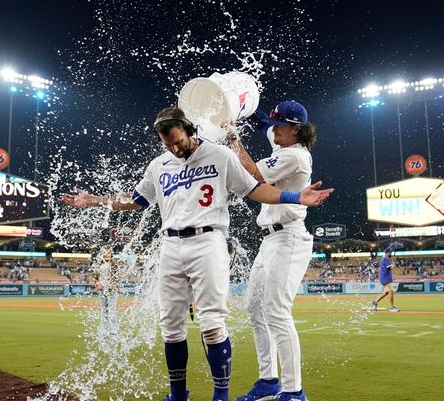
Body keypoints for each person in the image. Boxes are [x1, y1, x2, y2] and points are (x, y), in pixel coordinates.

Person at [61, 106, 332, 401]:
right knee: (171, 325)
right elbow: (136, 200)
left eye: (177, 141)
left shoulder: (219, 155)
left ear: (190, 130)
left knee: (213, 323)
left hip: (209, 240)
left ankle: (228, 396)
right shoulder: (160, 164)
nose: (174, 148)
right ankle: (181, 395)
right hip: (170, 245)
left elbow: (255, 189)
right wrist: (93, 201)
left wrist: (295, 196)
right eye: (167, 144)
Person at [226, 100, 317, 401]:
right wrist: (246, 111)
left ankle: (294, 392)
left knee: (277, 311)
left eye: (280, 126)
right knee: (255, 308)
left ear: (297, 130)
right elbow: (266, 124)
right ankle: (269, 381)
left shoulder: (294, 156)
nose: (273, 130)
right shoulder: (282, 138)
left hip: (289, 238)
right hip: (269, 240)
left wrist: (233, 139)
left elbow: (254, 175)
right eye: (274, 125)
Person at [93, 244, 119, 335]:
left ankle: (114, 331)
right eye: (104, 252)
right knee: (104, 311)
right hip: (101, 290)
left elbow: (115, 279)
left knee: (111, 310)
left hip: (111, 290)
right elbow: (96, 277)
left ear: (111, 254)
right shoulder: (99, 264)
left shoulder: (114, 264)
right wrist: (96, 283)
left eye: (108, 253)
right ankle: (104, 331)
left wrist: (103, 284)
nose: (106, 254)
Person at [371, 247, 399, 312]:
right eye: (390, 252)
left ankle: (375, 302)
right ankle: (392, 307)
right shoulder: (386, 259)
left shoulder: (383, 259)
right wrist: (393, 264)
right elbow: (390, 268)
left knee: (386, 293)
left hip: (383, 278)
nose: (391, 253)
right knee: (391, 291)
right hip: (385, 278)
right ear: (387, 252)